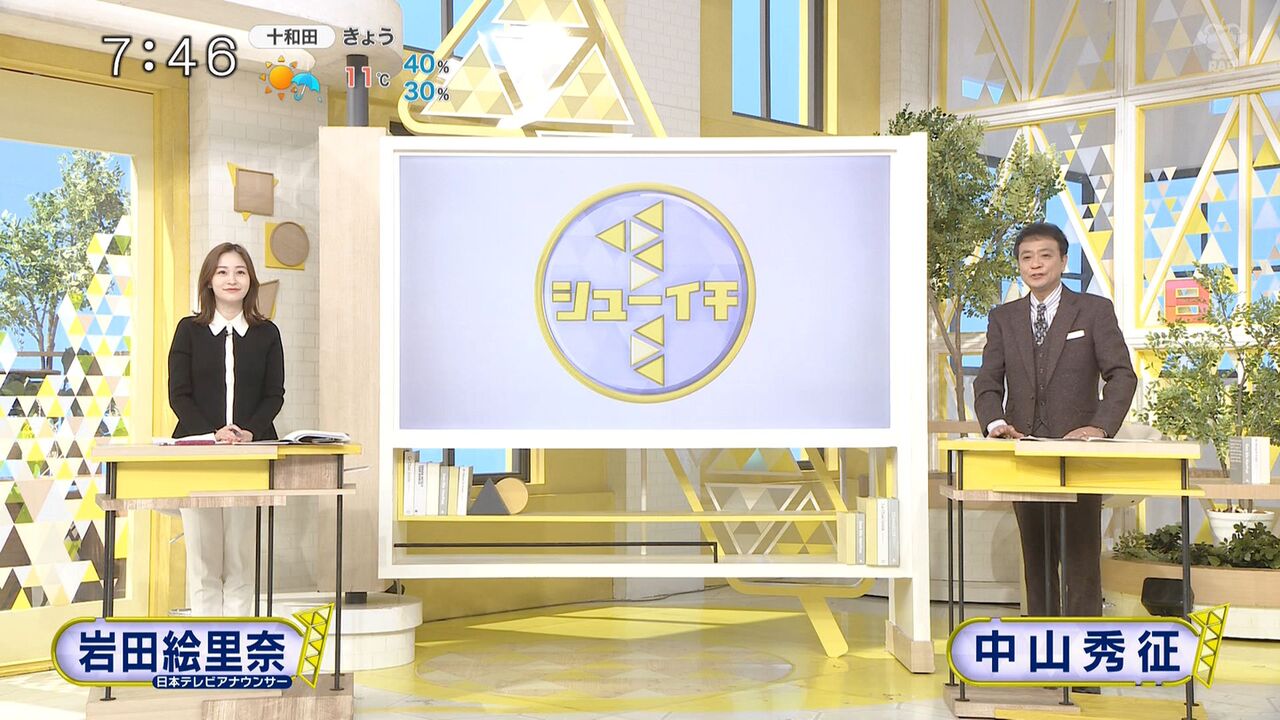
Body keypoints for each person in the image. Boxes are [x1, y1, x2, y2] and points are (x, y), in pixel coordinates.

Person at [974, 222, 1137, 620]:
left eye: (1045, 256)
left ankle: (1083, 650)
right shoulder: (1003, 318)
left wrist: (1100, 427)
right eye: (1026, 257)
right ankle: (1043, 644)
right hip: (1024, 453)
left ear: (1063, 261)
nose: (1035, 264)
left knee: (1081, 560)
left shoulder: (1094, 310)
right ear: (1019, 265)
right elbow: (987, 382)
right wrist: (995, 424)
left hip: (1079, 455)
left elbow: (1122, 375)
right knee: (1037, 560)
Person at [169, 242, 285, 616]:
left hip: (250, 456)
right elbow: (179, 394)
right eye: (222, 271)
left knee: (241, 561)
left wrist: (249, 431)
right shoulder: (188, 330)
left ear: (250, 280)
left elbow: (274, 394)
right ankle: (207, 644)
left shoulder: (268, 334)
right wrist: (212, 434)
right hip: (198, 455)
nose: (231, 279)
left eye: (240, 271)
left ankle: (235, 643)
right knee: (203, 563)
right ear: (209, 280)